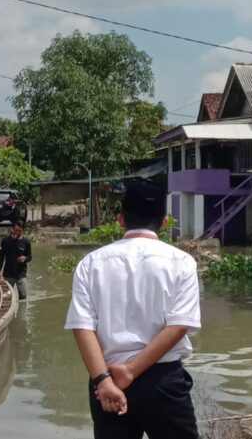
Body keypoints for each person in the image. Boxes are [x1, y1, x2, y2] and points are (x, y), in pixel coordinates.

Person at [65, 181, 201, 439]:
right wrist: (131, 371)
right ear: (164, 223)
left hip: (107, 380)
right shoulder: (182, 262)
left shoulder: (90, 263)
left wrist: (103, 380)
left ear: (120, 220)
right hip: (163, 381)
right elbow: (179, 326)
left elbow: (82, 328)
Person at [0, 220, 31, 300]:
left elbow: (30, 257)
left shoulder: (26, 242)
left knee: (23, 296)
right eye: (15, 230)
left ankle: (21, 308)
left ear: (23, 230)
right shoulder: (5, 241)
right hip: (8, 274)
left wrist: (25, 258)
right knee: (7, 297)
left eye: (19, 231)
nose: (17, 232)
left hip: (21, 274)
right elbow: (1, 257)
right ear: (13, 229)